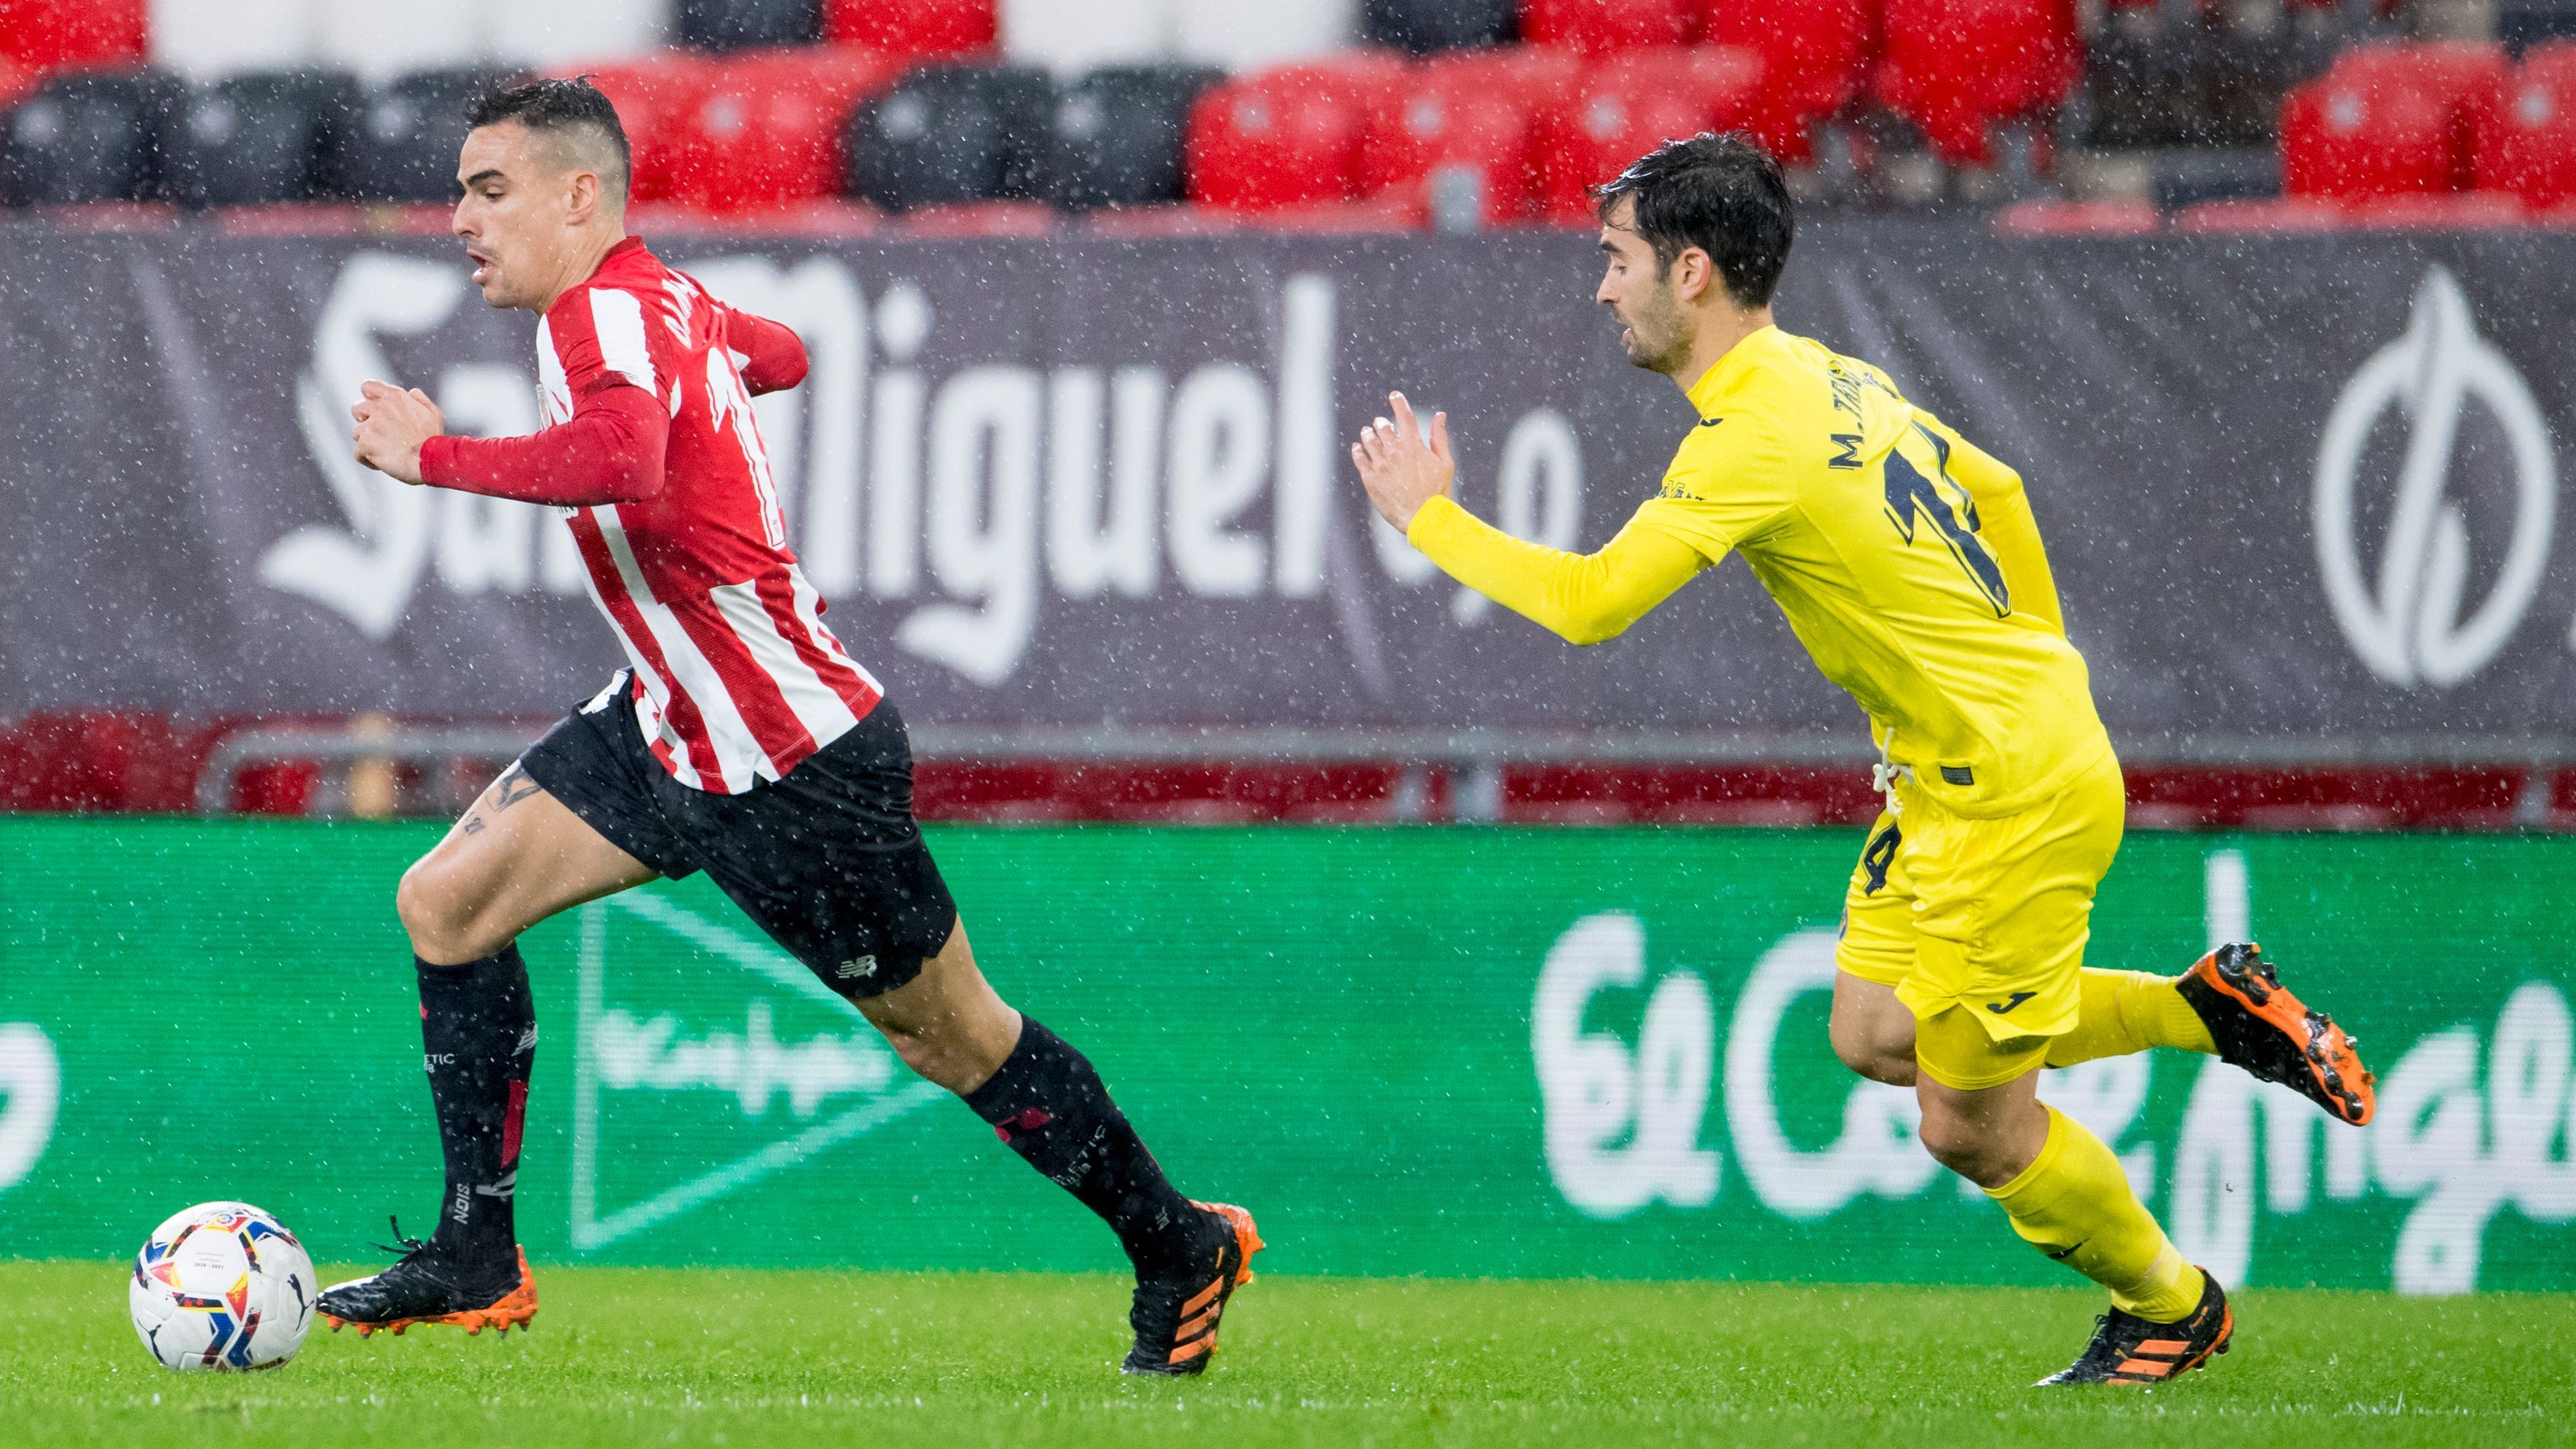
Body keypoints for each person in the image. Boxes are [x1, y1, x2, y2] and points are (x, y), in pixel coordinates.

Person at [1351, 132, 2374, 1387]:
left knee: (1968, 1122)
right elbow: (1993, 490)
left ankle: (2172, 1304)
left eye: (1615, 261)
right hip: (1958, 774)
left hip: (2009, 794)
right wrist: (2023, 667)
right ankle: (2198, 1007)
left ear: (1690, 274)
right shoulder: (1821, 374)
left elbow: (1592, 602)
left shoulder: (1746, 438)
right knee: (1874, 1030)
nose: (1599, 287)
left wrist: (1432, 520)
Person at [313, 78, 1260, 1377]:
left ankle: (1175, 1243)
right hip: (666, 722)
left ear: (581, 196)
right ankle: (477, 1249)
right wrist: (707, 355)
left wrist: (439, 457)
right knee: (446, 904)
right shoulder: (643, 300)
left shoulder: (603, 311)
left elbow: (625, 458)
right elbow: (788, 357)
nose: (461, 221)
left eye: (490, 192)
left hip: (790, 759)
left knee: (952, 1034)